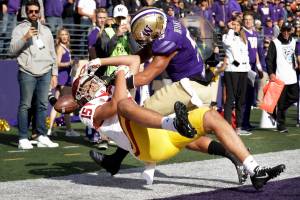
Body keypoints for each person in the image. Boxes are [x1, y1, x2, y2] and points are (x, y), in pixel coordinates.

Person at [88, 7, 248, 184]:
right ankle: (236, 156)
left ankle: (124, 161)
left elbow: (147, 76)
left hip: (188, 88)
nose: (147, 39)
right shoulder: (170, 25)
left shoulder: (167, 41)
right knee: (183, 136)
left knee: (142, 116)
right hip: (193, 85)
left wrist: (115, 81)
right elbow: (146, 52)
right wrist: (131, 61)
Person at [72, 62, 285, 190]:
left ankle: (255, 170)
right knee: (125, 106)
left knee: (210, 117)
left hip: (160, 138)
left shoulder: (109, 89)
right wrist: (119, 73)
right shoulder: (86, 110)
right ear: (83, 93)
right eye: (89, 83)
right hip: (145, 147)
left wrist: (104, 61)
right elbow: (117, 105)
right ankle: (173, 122)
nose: (95, 82)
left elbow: (134, 59)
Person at [9, 0, 59, 149]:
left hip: (45, 71)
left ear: (39, 12)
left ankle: (41, 135)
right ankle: (23, 138)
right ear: (26, 12)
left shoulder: (46, 30)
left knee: (43, 105)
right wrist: (25, 37)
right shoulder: (19, 29)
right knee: (25, 105)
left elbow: (52, 53)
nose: (33, 14)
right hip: (27, 71)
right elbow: (11, 51)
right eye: (30, 11)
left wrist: (54, 73)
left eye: (36, 11)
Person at [266, 22, 299, 133]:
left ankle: (276, 112)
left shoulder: (294, 42)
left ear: (291, 31)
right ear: (281, 30)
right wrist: (271, 73)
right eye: (284, 30)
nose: (286, 33)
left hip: (292, 76)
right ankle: (281, 125)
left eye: (288, 30)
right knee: (282, 101)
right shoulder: (275, 43)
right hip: (280, 77)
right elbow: (269, 60)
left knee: (295, 97)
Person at [47, 27, 80, 137]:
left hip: (65, 77)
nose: (65, 36)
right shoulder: (60, 48)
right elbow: (57, 63)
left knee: (57, 104)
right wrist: (69, 63)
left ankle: (50, 129)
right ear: (59, 37)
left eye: (66, 34)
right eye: (62, 34)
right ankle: (69, 130)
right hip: (62, 78)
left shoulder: (66, 47)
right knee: (66, 104)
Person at [222, 17, 251, 136]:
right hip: (232, 71)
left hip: (243, 71)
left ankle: (238, 126)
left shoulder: (244, 38)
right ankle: (227, 126)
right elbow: (228, 44)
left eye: (238, 25)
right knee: (230, 99)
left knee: (241, 99)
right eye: (234, 25)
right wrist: (230, 29)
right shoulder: (226, 36)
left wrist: (247, 68)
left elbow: (246, 55)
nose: (236, 27)